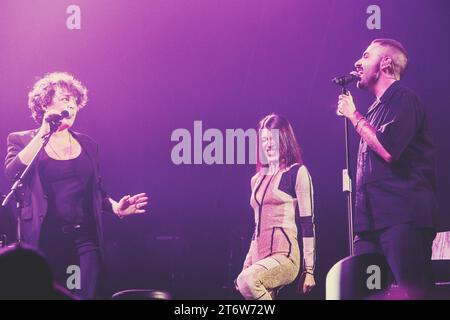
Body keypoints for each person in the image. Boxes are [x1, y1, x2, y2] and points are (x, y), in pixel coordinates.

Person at [4, 72, 148, 299]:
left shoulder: (88, 144)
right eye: (63, 99)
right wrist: (44, 132)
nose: (70, 105)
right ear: (45, 103)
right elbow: (13, 174)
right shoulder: (20, 139)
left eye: (73, 101)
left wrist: (115, 207)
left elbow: (96, 192)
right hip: (46, 237)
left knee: (87, 294)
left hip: (85, 238)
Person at [337, 39, 438, 299]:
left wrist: (353, 116)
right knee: (368, 294)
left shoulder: (404, 98)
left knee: (416, 292)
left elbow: (389, 148)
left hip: (402, 218)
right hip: (371, 224)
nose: (358, 63)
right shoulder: (374, 111)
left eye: (366, 56)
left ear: (385, 63)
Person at [236, 114, 316, 300]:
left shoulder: (297, 172)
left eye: (273, 139)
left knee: (247, 280)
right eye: (264, 140)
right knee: (246, 280)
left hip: (285, 256)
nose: (268, 144)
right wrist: (246, 265)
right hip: (259, 257)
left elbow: (307, 223)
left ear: (284, 139)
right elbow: (256, 229)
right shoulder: (256, 180)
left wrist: (309, 269)